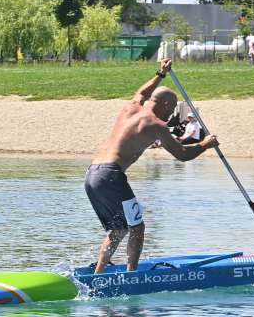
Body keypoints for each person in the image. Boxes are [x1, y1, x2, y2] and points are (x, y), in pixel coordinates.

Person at [85, 58, 219, 274]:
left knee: (118, 229)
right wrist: (205, 144)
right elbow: (182, 154)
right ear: (165, 105)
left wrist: (161, 73)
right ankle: (132, 276)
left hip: (92, 174)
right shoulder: (156, 124)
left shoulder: (131, 108)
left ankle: (98, 274)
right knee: (137, 227)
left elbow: (142, 92)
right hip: (111, 175)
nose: (172, 114)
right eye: (172, 109)